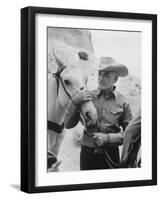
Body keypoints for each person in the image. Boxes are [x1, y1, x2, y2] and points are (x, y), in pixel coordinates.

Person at [64, 57, 133, 170]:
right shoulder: (86, 97)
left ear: (115, 79)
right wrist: (74, 102)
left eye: (106, 75)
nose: (101, 78)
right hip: (87, 155)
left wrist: (109, 138)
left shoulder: (124, 103)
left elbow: (131, 134)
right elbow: (67, 124)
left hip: (111, 155)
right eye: (99, 74)